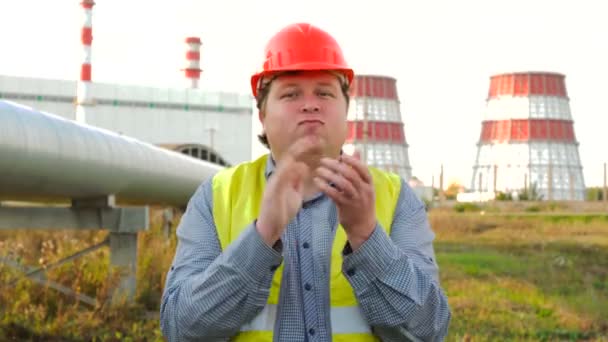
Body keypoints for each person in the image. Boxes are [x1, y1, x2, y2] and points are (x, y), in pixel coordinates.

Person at [160, 22, 451, 341]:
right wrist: (262, 235)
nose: (310, 104)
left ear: (345, 111)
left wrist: (366, 235)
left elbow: (430, 331)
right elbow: (181, 330)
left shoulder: (396, 198)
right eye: (291, 93)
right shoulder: (215, 197)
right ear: (262, 114)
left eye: (324, 92)